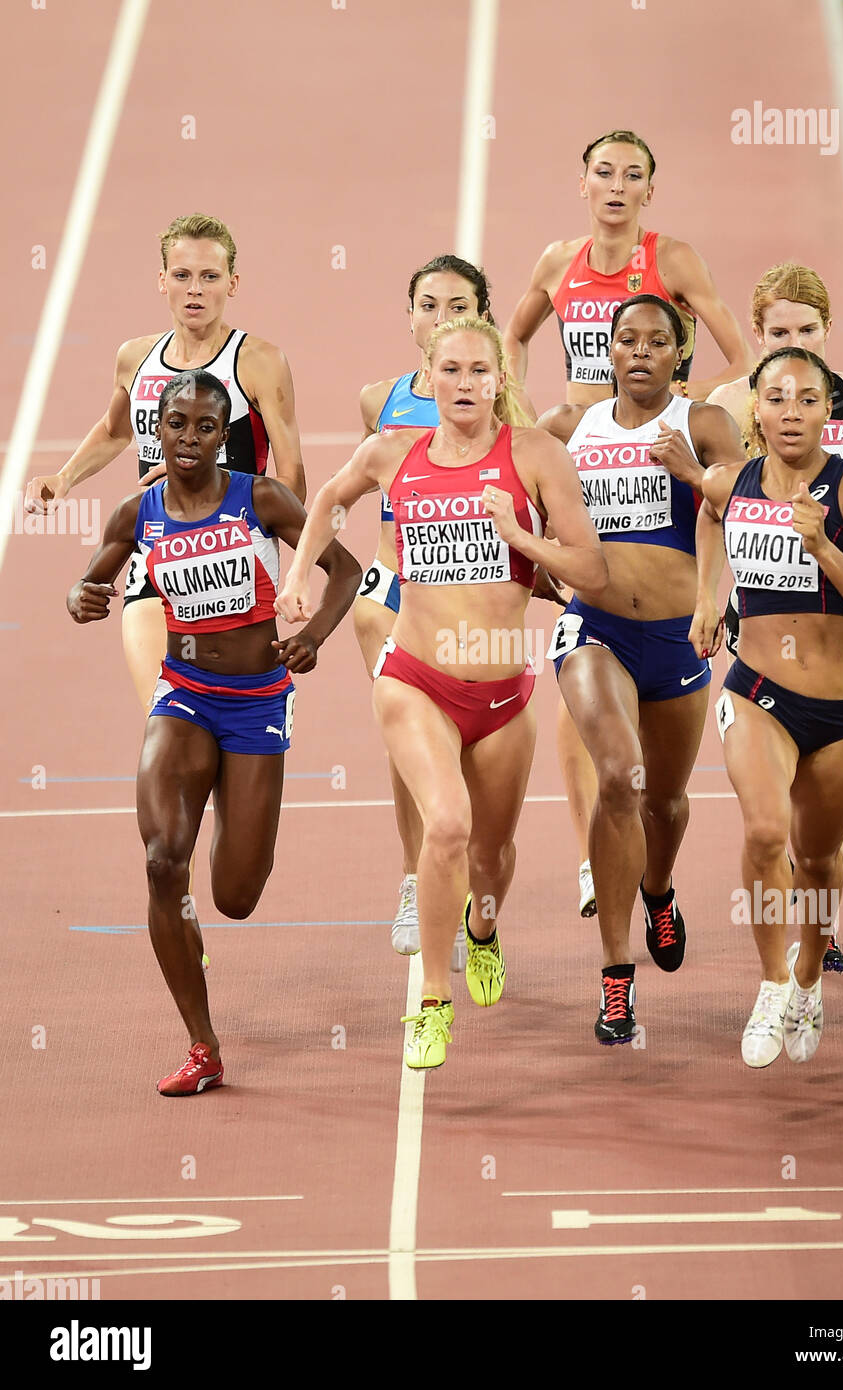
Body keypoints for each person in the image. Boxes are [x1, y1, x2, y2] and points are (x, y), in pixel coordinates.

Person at [276, 319, 606, 1070]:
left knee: (490, 857)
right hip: (415, 679)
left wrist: (523, 541)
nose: (464, 384)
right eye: (450, 370)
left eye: (479, 371)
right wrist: (298, 578)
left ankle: (484, 932)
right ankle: (430, 999)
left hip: (502, 692)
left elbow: (592, 572)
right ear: (428, 376)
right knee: (447, 828)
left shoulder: (537, 457)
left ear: (500, 380)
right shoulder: (395, 454)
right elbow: (330, 494)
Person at [66, 371, 359, 1095]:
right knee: (165, 862)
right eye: (176, 424)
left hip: (257, 699)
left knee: (235, 895)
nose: (188, 439)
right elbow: (94, 580)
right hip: (186, 693)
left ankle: (207, 887)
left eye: (204, 427)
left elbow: (345, 569)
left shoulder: (260, 498)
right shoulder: (139, 513)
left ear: (222, 435)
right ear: (157, 429)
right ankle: (203, 1045)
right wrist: (82, 596)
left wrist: (314, 635)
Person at [503, 128, 753, 916]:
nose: (617, 186)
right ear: (582, 184)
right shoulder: (557, 261)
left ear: (651, 188)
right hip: (582, 449)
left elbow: (742, 358)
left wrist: (675, 400)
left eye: (632, 175)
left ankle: (642, 865)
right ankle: (593, 859)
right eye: (603, 173)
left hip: (648, 437)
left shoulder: (669, 261)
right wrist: (525, 409)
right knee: (585, 696)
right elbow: (512, 334)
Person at [538, 295, 744, 1042]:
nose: (641, 351)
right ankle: (615, 975)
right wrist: (537, 569)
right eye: (627, 339)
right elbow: (519, 495)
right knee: (620, 776)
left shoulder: (704, 423)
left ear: (679, 355)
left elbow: (750, 500)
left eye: (659, 341)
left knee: (667, 800)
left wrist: (692, 473)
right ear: (608, 349)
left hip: (679, 639)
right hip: (596, 631)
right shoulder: (571, 429)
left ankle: (659, 888)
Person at [690, 348, 843, 1068]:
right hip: (757, 693)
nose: (790, 412)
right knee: (764, 831)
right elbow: (709, 512)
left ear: (827, 412)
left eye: (806, 400)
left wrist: (822, 549)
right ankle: (773, 982)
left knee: (818, 856)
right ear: (755, 408)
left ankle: (810, 976)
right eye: (775, 398)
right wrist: (705, 601)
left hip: (842, 708)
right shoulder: (733, 481)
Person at [707, 262, 843, 969]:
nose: (793, 340)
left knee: (832, 770)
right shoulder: (737, 404)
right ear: (757, 333)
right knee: (773, 787)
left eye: (807, 330)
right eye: (777, 332)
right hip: (767, 599)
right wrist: (713, 594)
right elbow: (721, 494)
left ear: (829, 329)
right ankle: (790, 881)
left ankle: (819, 894)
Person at [29, 213, 306, 716]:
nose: (194, 290)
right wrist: (62, 478)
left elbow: (292, 482)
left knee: (227, 730)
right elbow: (116, 430)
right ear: (162, 281)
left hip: (232, 566)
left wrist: (273, 549)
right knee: (168, 721)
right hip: (155, 562)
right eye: (181, 276)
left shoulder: (259, 362)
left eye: (209, 276)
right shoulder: (135, 357)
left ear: (233, 283)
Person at [354, 255, 493, 966]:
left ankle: (465, 882)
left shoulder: (503, 400)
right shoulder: (379, 399)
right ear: (411, 316)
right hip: (392, 590)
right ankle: (415, 879)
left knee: (467, 745)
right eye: (430, 305)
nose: (443, 317)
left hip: (468, 591)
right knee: (410, 742)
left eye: (459, 304)